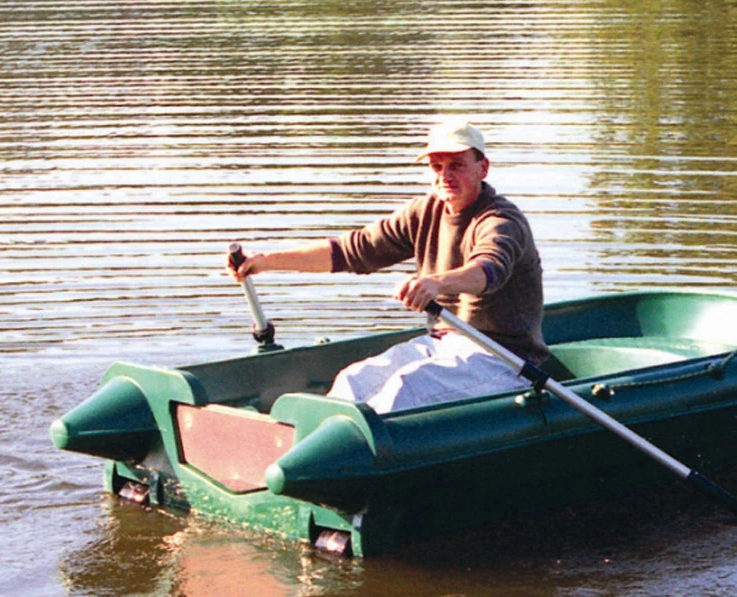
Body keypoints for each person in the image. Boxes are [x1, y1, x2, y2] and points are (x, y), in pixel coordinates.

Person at [229, 120, 549, 413]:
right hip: (440, 344)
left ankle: (359, 452)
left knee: (405, 389)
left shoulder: (500, 221)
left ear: (483, 168)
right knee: (352, 381)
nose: (445, 176)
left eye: (457, 165)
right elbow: (353, 250)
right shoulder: (425, 212)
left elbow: (487, 271)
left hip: (503, 359)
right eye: (437, 166)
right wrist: (266, 261)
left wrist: (437, 282)